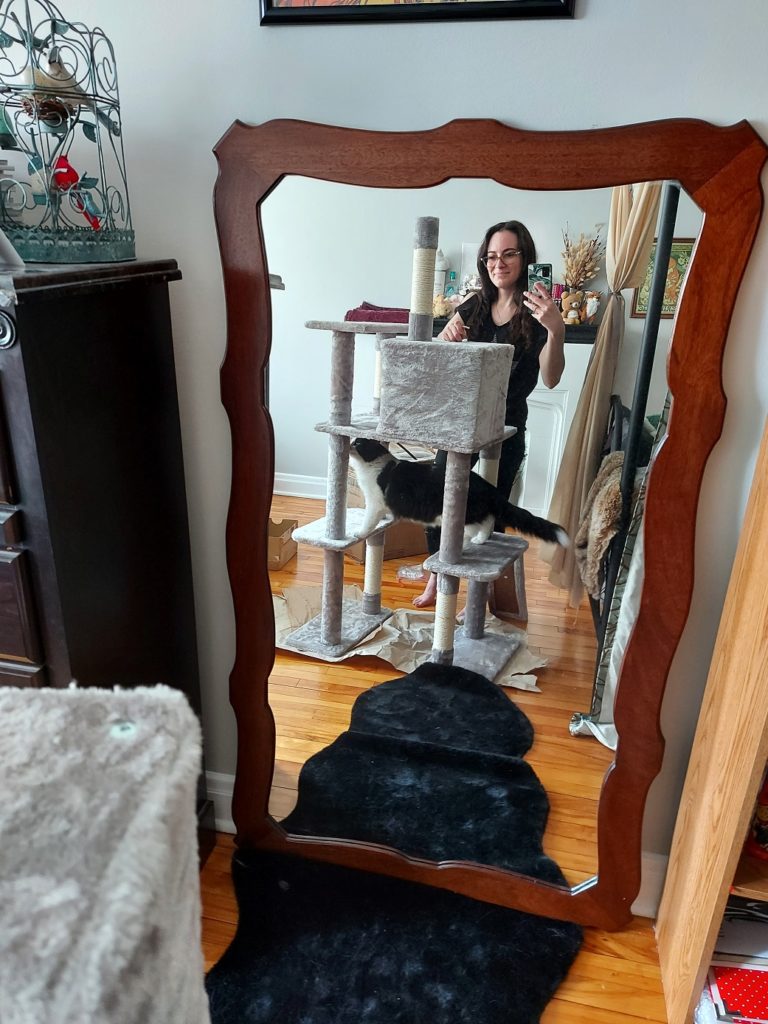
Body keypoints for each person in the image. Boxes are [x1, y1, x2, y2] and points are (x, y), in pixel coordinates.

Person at [413, 220, 566, 608]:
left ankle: (476, 594)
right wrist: (445, 340)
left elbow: (550, 378)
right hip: (462, 422)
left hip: (507, 429)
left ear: (525, 257)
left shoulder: (540, 312)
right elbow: (441, 365)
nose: (499, 263)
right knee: (439, 495)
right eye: (492, 256)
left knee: (490, 510)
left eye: (508, 254)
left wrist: (556, 331)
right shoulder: (475, 306)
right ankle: (436, 576)